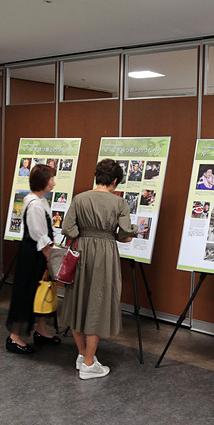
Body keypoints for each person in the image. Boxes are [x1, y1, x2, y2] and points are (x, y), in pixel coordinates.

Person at [61, 159, 138, 380]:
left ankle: (82, 354)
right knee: (98, 303)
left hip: (81, 252)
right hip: (105, 255)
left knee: (78, 301)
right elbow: (125, 235)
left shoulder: (80, 198)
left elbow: (68, 228)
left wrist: (84, 235)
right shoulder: (119, 203)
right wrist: (110, 235)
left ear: (97, 177)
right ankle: (88, 364)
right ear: (114, 181)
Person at [6, 164, 61, 354]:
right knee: (26, 294)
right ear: (43, 181)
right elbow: (39, 234)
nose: (53, 183)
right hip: (32, 255)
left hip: (38, 254)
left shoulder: (39, 200)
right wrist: (49, 257)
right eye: (51, 179)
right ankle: (15, 338)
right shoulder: (35, 204)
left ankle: (41, 330)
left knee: (42, 291)